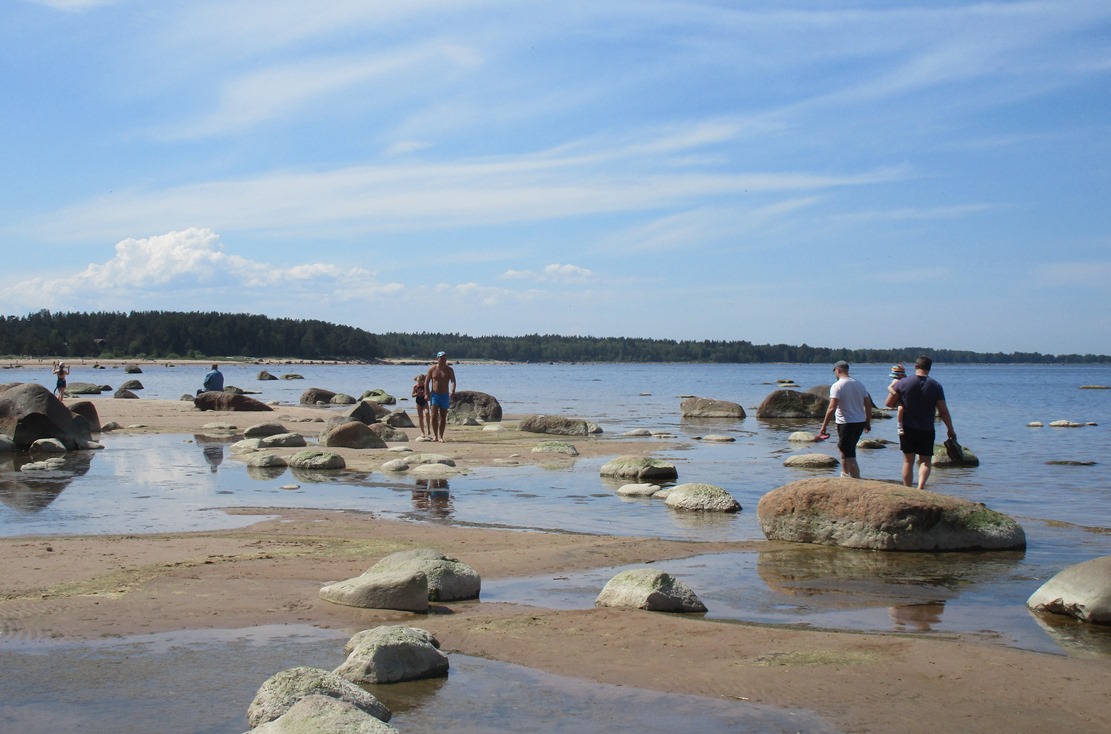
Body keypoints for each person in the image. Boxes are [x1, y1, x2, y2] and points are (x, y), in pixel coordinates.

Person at [885, 355, 956, 490]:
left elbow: (888, 403)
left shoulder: (903, 383)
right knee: (925, 461)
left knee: (908, 461)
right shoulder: (936, 385)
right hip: (927, 428)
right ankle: (921, 487)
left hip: (907, 428)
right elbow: (943, 411)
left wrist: (901, 403)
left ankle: (907, 489)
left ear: (916, 366)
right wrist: (950, 429)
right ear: (929, 368)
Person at [818, 360, 873, 479]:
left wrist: (824, 426)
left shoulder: (837, 386)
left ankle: (856, 480)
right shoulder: (859, 384)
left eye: (835, 372)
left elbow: (832, 408)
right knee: (844, 449)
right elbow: (868, 405)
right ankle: (844, 474)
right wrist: (867, 422)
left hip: (846, 423)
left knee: (850, 454)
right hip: (859, 422)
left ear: (838, 370)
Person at [424, 351, 457, 443]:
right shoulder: (432, 369)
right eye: (441, 358)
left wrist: (453, 390)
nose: (443, 360)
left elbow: (453, 381)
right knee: (434, 415)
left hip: (445, 396)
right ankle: (435, 436)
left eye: (444, 358)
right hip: (434, 395)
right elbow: (427, 382)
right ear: (437, 359)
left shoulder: (449, 370)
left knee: (443, 416)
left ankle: (441, 436)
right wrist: (426, 394)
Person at [888, 363, 907, 435]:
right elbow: (889, 387)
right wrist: (895, 394)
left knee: (902, 409)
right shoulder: (896, 381)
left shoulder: (903, 380)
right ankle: (899, 425)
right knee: (901, 408)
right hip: (898, 398)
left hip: (902, 397)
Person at [412, 373, 431, 439]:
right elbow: (412, 395)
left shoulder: (426, 386)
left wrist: (427, 396)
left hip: (425, 402)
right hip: (418, 402)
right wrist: (417, 394)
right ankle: (422, 432)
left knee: (427, 413)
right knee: (420, 417)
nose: (419, 383)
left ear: (424, 381)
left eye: (420, 382)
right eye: (418, 382)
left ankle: (428, 428)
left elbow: (429, 395)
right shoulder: (415, 387)